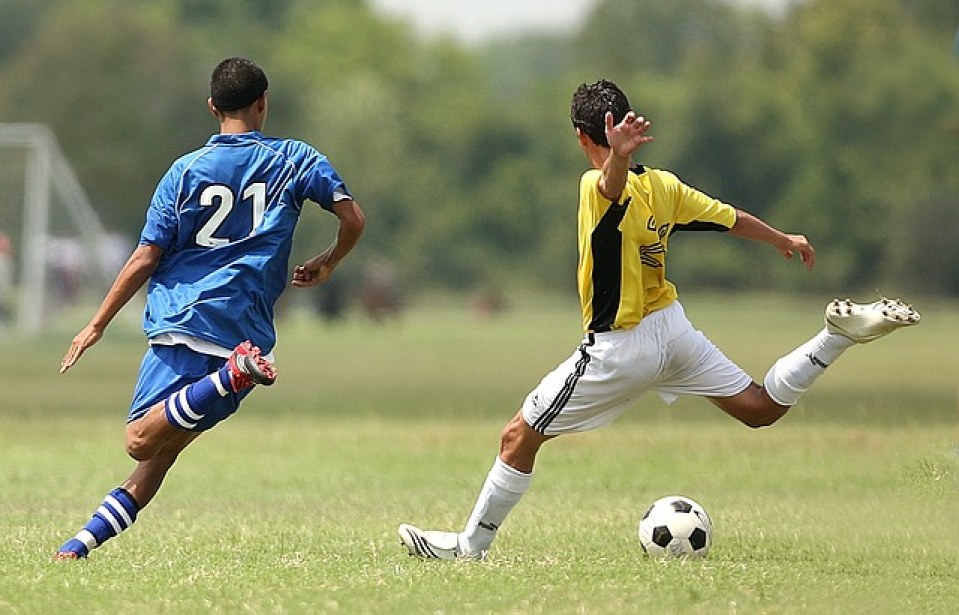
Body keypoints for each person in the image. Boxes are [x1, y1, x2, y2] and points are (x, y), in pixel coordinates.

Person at [398, 79, 919, 560]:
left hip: (620, 347)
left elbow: (608, 188)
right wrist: (783, 238)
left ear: (582, 136)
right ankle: (833, 337)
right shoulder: (665, 186)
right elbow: (727, 217)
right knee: (759, 408)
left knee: (518, 437)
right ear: (624, 124)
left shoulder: (592, 185)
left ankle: (471, 547)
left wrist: (615, 160)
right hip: (673, 329)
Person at [54, 57, 365, 559]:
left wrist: (96, 324)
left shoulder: (184, 171)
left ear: (212, 107)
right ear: (263, 103)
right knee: (158, 458)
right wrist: (327, 262)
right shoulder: (296, 159)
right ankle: (78, 546)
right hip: (246, 330)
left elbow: (146, 256)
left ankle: (228, 377)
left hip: (185, 320)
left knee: (139, 440)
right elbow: (353, 218)